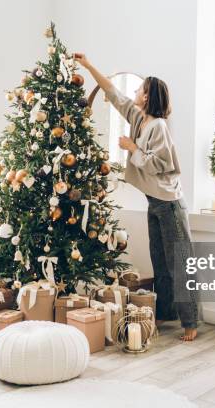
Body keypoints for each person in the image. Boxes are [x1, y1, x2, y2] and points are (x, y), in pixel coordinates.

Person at [74, 53, 199, 341]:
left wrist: (132, 147)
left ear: (148, 96)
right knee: (160, 260)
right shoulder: (138, 117)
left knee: (179, 262)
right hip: (154, 202)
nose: (134, 92)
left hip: (170, 204)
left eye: (139, 89)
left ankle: (190, 322)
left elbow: (160, 163)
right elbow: (112, 93)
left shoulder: (158, 126)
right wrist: (90, 65)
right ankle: (167, 313)